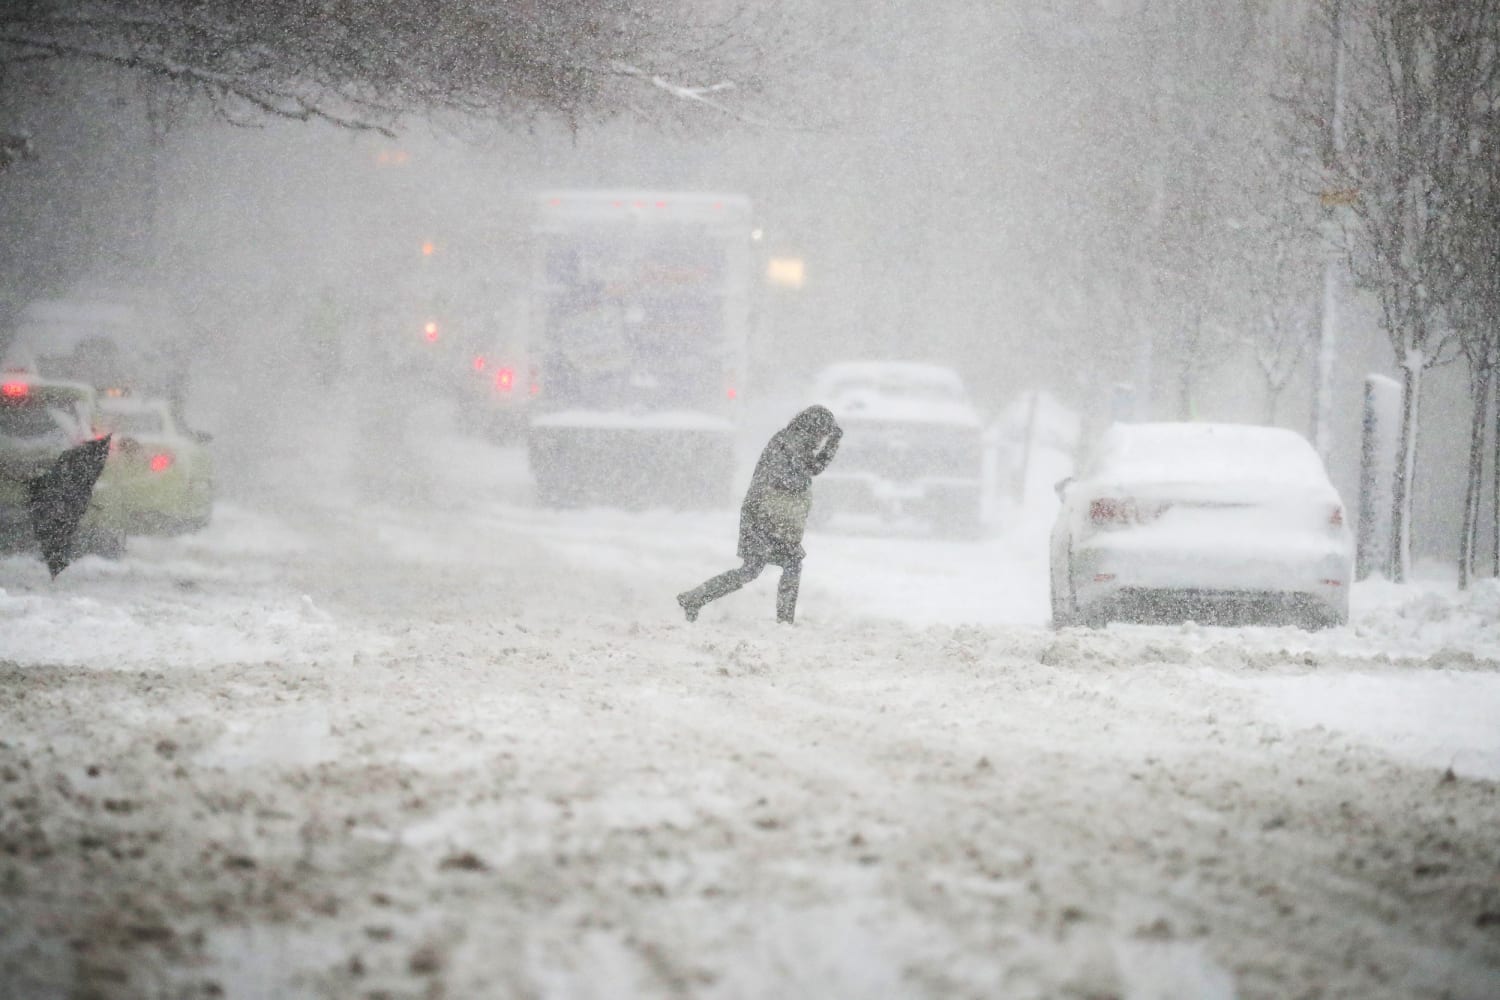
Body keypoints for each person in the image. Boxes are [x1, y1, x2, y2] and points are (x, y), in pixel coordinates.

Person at [677, 405, 843, 624]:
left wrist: (831, 445)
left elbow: (810, 469)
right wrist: (830, 447)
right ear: (815, 428)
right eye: (823, 433)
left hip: (772, 517)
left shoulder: (792, 441)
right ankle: (783, 621)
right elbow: (803, 473)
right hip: (763, 517)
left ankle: (696, 598)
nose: (822, 438)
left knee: (770, 566)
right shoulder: (789, 443)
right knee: (763, 567)